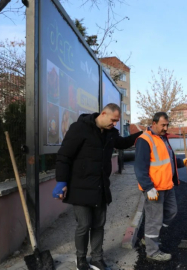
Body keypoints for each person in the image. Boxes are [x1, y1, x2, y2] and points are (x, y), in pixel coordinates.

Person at [52, 103, 143, 270]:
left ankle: (97, 258)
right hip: (80, 186)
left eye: (117, 121)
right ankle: (80, 259)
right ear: (103, 113)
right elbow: (64, 156)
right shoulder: (79, 128)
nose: (114, 124)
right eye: (113, 120)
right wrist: (61, 181)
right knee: (84, 224)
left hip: (100, 186)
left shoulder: (110, 133)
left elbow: (122, 143)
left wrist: (143, 134)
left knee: (99, 224)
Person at [134, 112, 187, 262]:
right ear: (154, 124)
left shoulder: (162, 138)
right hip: (154, 188)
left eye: (167, 124)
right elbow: (140, 167)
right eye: (163, 125)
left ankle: (151, 236)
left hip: (167, 185)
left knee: (171, 212)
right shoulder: (144, 140)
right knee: (154, 220)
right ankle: (152, 252)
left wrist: (180, 162)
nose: (166, 128)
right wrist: (148, 187)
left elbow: (167, 160)